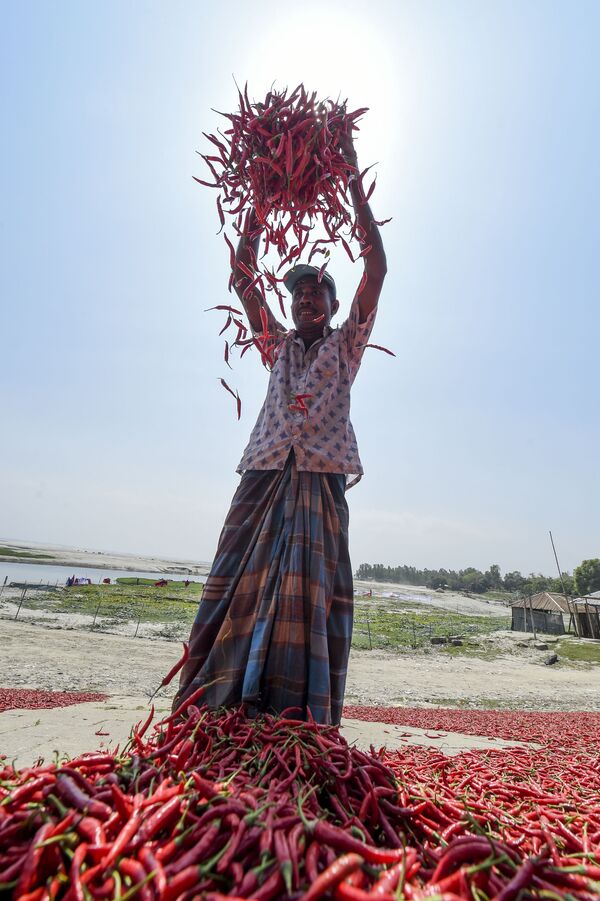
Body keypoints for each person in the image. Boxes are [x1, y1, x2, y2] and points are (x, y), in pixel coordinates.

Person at [174, 133, 387, 725]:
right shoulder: (276, 346)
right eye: (298, 294)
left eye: (318, 291)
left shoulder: (347, 347)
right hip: (265, 474)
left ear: (333, 301)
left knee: (307, 597)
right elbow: (244, 276)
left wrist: (349, 179)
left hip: (320, 480)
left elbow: (376, 266)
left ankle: (294, 714)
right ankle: (215, 704)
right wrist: (260, 199)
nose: (307, 300)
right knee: (232, 577)